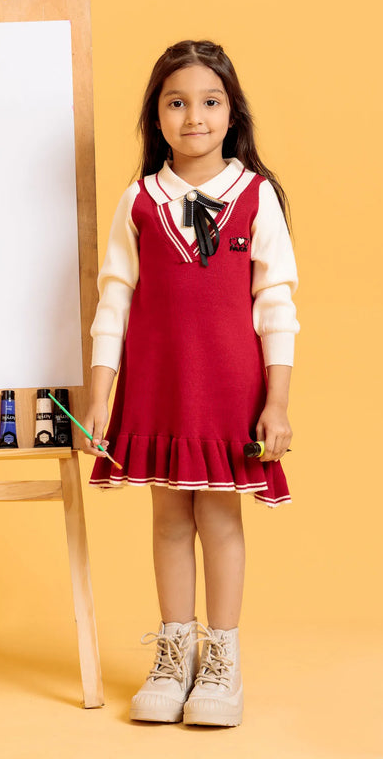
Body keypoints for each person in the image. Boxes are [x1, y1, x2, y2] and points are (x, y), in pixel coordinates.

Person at [79, 40, 300, 727]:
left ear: (232, 114)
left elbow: (276, 304)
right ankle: (174, 655)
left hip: (228, 389)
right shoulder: (137, 201)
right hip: (159, 385)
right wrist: (98, 393)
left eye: (209, 102)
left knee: (219, 515)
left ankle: (221, 662)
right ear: (156, 116)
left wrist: (278, 402)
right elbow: (113, 298)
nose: (193, 117)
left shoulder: (257, 197)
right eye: (176, 102)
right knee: (169, 515)